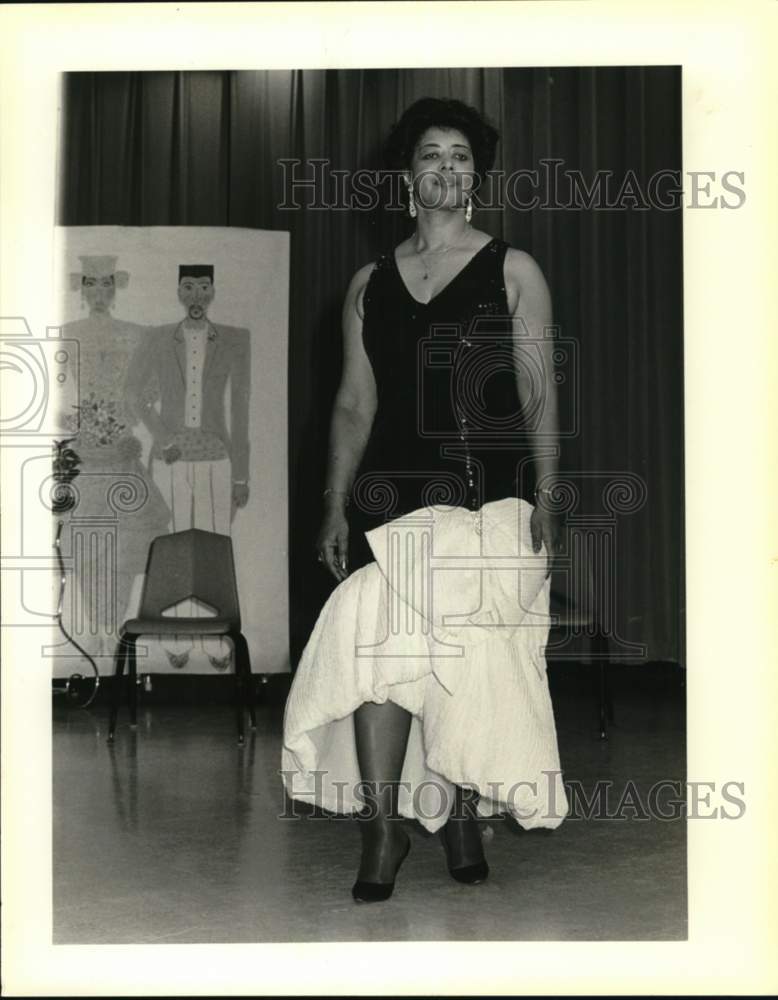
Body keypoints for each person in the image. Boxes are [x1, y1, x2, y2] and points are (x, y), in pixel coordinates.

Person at [282, 98, 568, 903]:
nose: (446, 167)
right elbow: (351, 404)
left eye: (462, 157)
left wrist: (549, 493)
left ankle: (466, 812)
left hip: (490, 500)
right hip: (392, 503)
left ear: (475, 178)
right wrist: (333, 505)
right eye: (431, 155)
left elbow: (541, 390)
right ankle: (383, 825)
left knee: (470, 658)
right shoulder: (369, 284)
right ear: (407, 177)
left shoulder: (513, 270)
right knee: (377, 644)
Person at [126, 264, 251, 668]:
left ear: (212, 291)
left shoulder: (234, 339)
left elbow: (241, 407)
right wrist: (163, 438)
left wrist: (241, 473)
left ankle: (218, 640)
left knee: (215, 542)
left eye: (203, 288)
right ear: (179, 292)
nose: (196, 296)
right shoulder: (158, 337)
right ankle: (177, 635)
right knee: (176, 543)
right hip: (173, 457)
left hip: (217, 454)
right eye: (188, 288)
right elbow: (133, 393)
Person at [61, 255, 170, 657]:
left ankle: (115, 627)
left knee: (123, 542)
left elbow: (148, 393)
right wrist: (75, 420)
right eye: (92, 286)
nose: (99, 294)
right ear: (82, 288)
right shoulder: (66, 332)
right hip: (85, 453)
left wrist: (125, 416)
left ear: (115, 288)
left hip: (122, 451)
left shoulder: (138, 334)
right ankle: (95, 627)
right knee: (87, 538)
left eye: (107, 286)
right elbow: (51, 395)